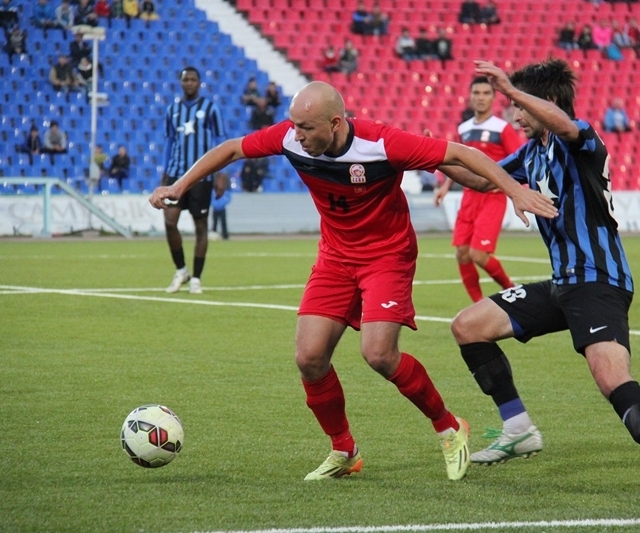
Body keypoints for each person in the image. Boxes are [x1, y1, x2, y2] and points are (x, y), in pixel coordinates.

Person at [148, 80, 558, 482]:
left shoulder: (381, 143)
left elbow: (460, 153)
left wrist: (513, 191)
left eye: (306, 128)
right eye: (294, 125)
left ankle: (449, 427)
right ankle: (344, 451)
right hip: (335, 257)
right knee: (309, 357)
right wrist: (180, 185)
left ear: (336, 123)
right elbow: (233, 148)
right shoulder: (291, 137)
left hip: (387, 257)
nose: (296, 135)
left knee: (379, 354)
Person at [442, 58, 640, 498]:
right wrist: (430, 158)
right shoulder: (531, 153)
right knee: (468, 326)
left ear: (545, 101)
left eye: (520, 106)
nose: (515, 116)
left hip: (599, 280)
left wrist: (513, 90)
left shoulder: (580, 140)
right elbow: (482, 181)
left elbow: (564, 124)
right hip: (562, 282)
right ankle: (518, 429)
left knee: (610, 377)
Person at [434, 76, 523, 303]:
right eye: (477, 93)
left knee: (478, 254)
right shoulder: (464, 129)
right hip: (469, 196)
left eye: (486, 93)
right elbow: (457, 161)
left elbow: (520, 160)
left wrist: (517, 191)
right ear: (470, 97)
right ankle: (478, 304)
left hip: (492, 197)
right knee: (462, 253)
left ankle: (513, 290)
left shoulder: (502, 128)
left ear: (493, 98)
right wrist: (445, 186)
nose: (481, 97)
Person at [160, 66, 226, 295]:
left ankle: (196, 278)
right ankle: (181, 270)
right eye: (185, 79)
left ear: (199, 83)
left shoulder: (210, 109)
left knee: (200, 226)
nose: (189, 83)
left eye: (193, 79)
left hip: (202, 175)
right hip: (176, 173)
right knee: (170, 222)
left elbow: (221, 141)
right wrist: (164, 174)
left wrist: (221, 174)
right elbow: (169, 142)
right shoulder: (172, 110)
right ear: (180, 83)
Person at [210, 172, 231, 240]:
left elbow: (228, 199)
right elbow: (211, 199)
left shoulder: (225, 191)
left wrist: (221, 204)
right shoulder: (213, 191)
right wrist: (215, 205)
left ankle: (225, 236)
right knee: (214, 223)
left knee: (223, 223)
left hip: (222, 209)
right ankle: (213, 234)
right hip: (215, 209)